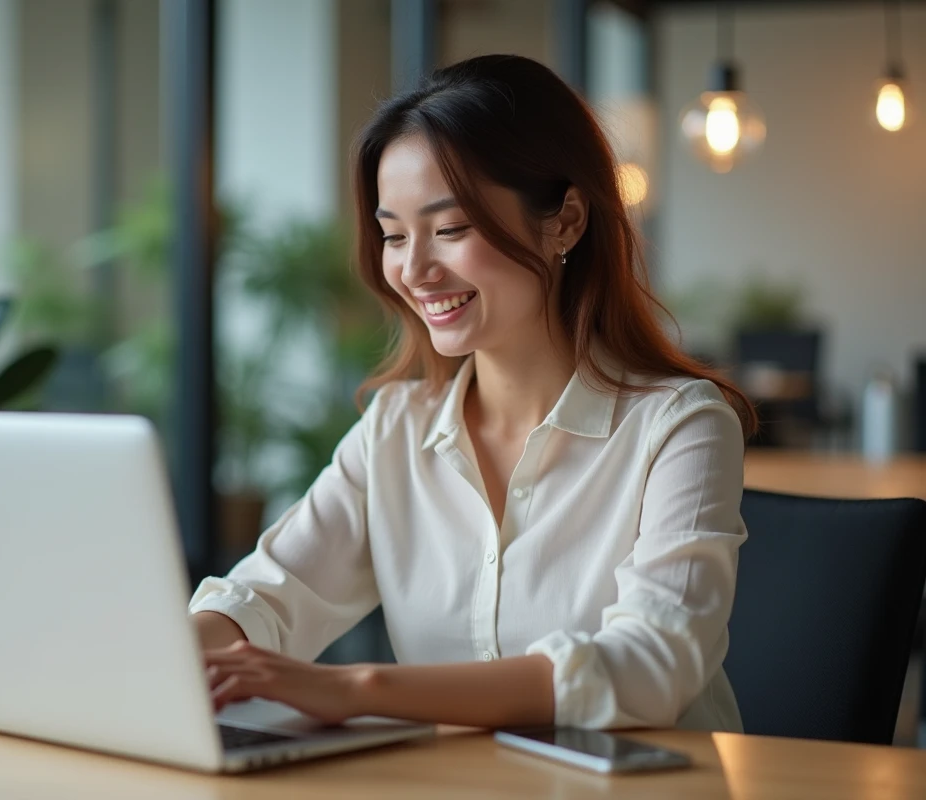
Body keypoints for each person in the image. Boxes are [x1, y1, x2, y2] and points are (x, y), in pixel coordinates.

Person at [189, 54, 758, 732]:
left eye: (450, 229)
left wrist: (361, 688)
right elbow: (270, 597)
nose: (414, 269)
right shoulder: (396, 430)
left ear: (566, 222)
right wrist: (168, 658)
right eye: (394, 236)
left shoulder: (682, 428)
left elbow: (649, 667)